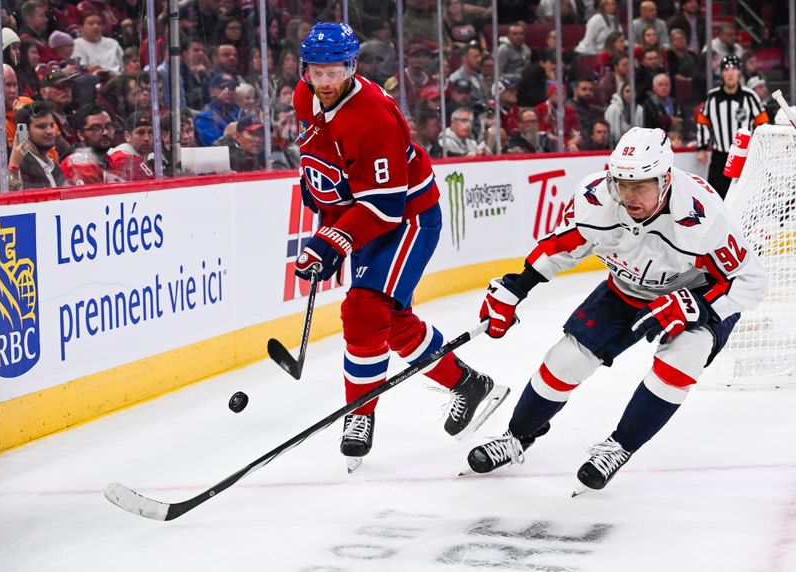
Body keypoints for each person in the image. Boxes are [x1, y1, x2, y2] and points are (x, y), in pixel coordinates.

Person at [470, 127, 767, 495]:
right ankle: (517, 437)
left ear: (666, 179)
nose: (628, 196)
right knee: (565, 361)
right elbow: (562, 246)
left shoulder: (700, 214)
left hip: (697, 294)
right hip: (626, 288)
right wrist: (516, 286)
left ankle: (620, 446)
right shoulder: (595, 197)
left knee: (681, 361)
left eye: (640, 185)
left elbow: (749, 281)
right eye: (622, 184)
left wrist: (701, 308)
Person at [292, 22, 507, 469]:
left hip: (406, 218)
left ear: (352, 67)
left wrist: (333, 240)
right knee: (388, 318)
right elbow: (330, 165)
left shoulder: (372, 115)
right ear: (305, 69)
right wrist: (325, 215)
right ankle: (467, 384)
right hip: (366, 214)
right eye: (318, 71)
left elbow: (385, 207)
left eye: (336, 71)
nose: (326, 82)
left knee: (364, 310)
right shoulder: (304, 96)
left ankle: (360, 413)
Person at [696, 55, 768, 198]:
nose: (730, 73)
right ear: (722, 73)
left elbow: (762, 123)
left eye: (734, 69)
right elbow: (703, 122)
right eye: (726, 69)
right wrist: (702, 148)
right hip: (720, 158)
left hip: (744, 157)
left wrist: (762, 148)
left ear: (739, 72)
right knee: (716, 198)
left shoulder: (750, 96)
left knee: (746, 197)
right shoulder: (712, 97)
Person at [7, 100, 66, 191]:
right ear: (25, 132)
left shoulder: (55, 167)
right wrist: (14, 168)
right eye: (42, 126)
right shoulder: (19, 168)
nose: (50, 131)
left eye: (51, 125)